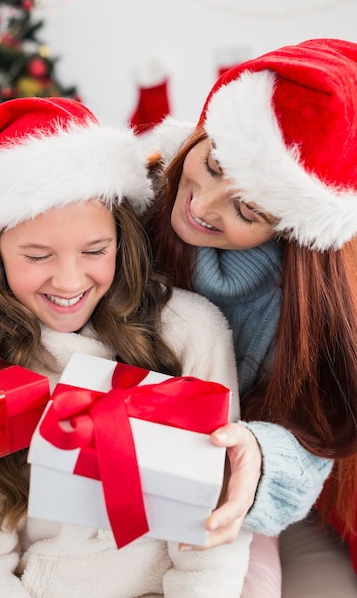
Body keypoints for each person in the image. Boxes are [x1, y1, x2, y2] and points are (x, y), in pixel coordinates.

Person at [0, 96, 257, 598]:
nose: (69, 280)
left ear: (122, 241)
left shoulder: (189, 332)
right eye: (37, 255)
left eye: (94, 251)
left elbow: (209, 530)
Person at [143, 37, 357, 595]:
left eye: (248, 209)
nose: (204, 204)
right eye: (213, 164)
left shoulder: (306, 305)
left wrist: (254, 459)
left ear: (289, 225)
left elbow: (314, 436)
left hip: (215, 483)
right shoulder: (131, 206)